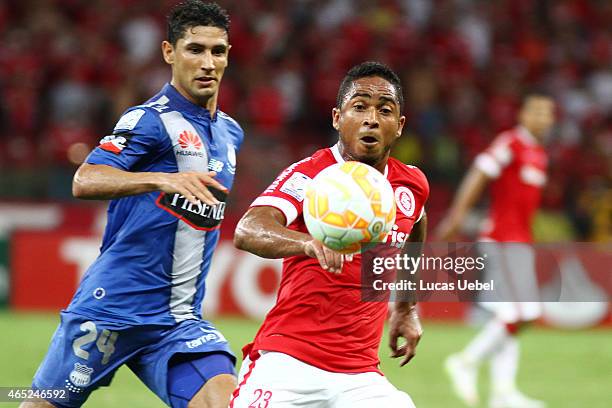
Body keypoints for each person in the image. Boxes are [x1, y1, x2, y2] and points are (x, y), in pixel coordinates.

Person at [23, 2, 242, 408]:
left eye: (218, 51)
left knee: (227, 402)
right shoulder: (149, 120)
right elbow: (85, 178)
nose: (208, 62)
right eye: (195, 49)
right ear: (168, 52)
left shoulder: (230, 132)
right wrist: (161, 178)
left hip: (178, 320)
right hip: (115, 307)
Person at [230, 61, 429, 407]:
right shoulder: (312, 175)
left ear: (399, 126)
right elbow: (249, 229)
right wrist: (307, 242)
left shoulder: (410, 183)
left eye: (384, 110)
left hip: (361, 375)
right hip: (287, 362)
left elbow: (417, 224)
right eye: (360, 106)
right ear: (338, 118)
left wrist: (406, 306)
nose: (371, 119)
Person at [436, 93, 555, 408]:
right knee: (522, 313)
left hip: (519, 241)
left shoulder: (539, 153)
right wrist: (457, 214)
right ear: (523, 114)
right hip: (501, 240)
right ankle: (465, 362)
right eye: (537, 111)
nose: (543, 118)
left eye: (548, 113)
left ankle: (503, 394)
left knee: (510, 316)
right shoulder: (511, 143)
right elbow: (480, 172)